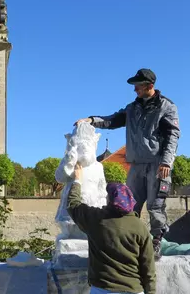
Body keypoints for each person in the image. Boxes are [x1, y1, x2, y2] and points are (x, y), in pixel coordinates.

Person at [75, 68, 180, 258]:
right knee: (130, 205)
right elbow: (113, 120)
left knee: (156, 206)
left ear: (149, 86)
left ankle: (156, 242)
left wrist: (166, 162)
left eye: (138, 86)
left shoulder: (167, 107)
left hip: (157, 164)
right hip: (136, 164)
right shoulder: (132, 108)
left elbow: (172, 136)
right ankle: (130, 239)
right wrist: (91, 120)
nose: (135, 90)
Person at [67, 163, 156, 294]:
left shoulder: (96, 220)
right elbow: (148, 265)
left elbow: (73, 204)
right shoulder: (139, 226)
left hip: (104, 292)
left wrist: (77, 180)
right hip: (134, 293)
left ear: (109, 200)